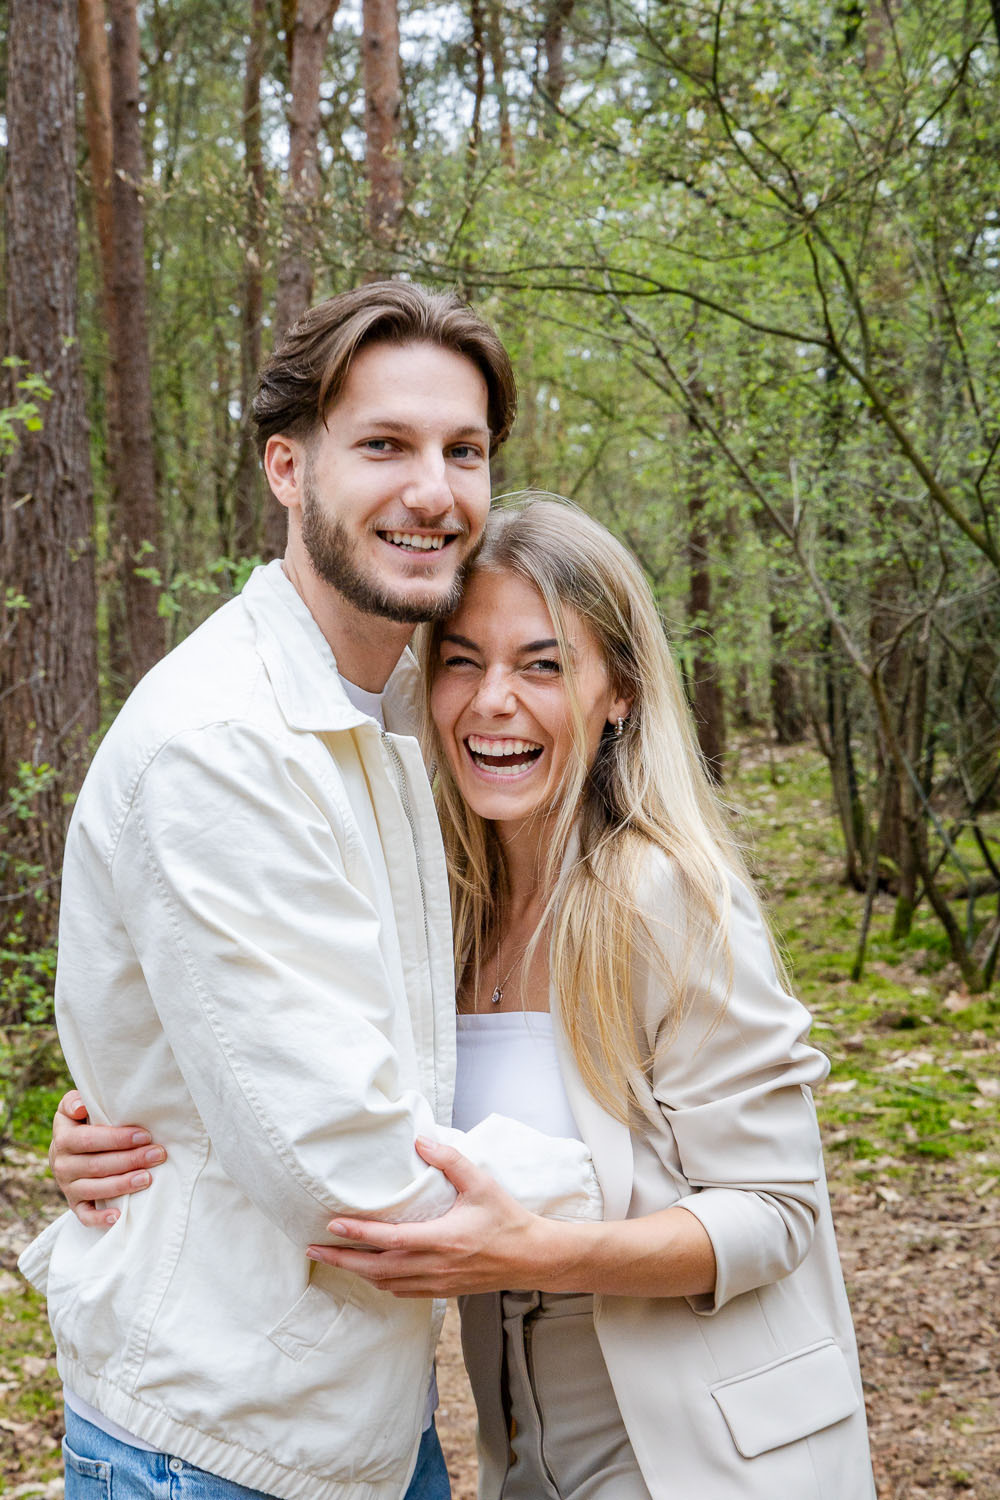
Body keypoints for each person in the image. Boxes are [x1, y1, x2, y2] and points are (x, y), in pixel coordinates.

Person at [51, 495, 876, 1498]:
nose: (494, 700)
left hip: (699, 1444)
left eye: (543, 664)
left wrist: (545, 1248)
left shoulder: (668, 899)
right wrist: (141, 1134)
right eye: (461, 661)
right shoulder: (436, 904)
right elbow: (299, 1081)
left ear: (618, 689)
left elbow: (776, 1210)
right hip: (519, 1441)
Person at [19, 291, 605, 1500]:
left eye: (465, 451)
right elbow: (354, 1187)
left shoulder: (396, 709)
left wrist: (150, 1105)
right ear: (288, 467)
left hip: (359, 1422)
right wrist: (648, 1174)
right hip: (217, 1443)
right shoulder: (224, 746)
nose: (432, 490)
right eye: (384, 445)